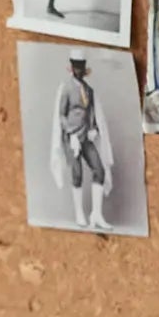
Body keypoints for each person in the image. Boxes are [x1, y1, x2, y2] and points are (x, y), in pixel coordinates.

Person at [51, 49, 113, 230]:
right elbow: (61, 115)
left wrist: (93, 129)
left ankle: (97, 214)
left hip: (85, 136)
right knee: (77, 173)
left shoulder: (89, 90)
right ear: (71, 67)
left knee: (99, 170)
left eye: (81, 67)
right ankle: (79, 212)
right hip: (71, 138)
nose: (78, 70)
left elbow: (91, 113)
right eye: (76, 67)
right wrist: (70, 135)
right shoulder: (66, 88)